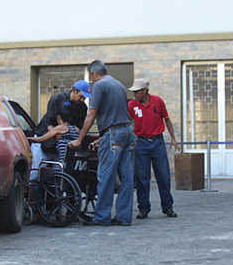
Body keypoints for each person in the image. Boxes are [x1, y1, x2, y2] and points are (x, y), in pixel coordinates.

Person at [69, 60, 135, 226]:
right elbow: (118, 114)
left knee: (106, 176)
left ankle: (102, 217)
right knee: (127, 178)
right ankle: (124, 217)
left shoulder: (99, 85)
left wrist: (79, 139)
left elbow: (91, 115)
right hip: (127, 132)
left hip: (113, 135)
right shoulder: (119, 85)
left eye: (91, 78)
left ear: (93, 74)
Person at [128, 78, 179, 219]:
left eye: (137, 91)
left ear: (144, 91)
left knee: (163, 176)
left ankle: (167, 207)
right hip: (141, 143)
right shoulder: (132, 105)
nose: (134, 94)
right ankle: (143, 208)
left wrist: (173, 138)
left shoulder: (158, 101)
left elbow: (166, 119)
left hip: (158, 142)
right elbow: (127, 122)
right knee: (142, 177)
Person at [30, 80, 91, 181]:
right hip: (45, 140)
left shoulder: (83, 107)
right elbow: (48, 121)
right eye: (81, 96)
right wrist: (55, 133)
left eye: (85, 98)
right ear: (75, 90)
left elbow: (79, 127)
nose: (82, 100)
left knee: (58, 177)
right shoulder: (57, 98)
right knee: (36, 174)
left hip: (62, 145)